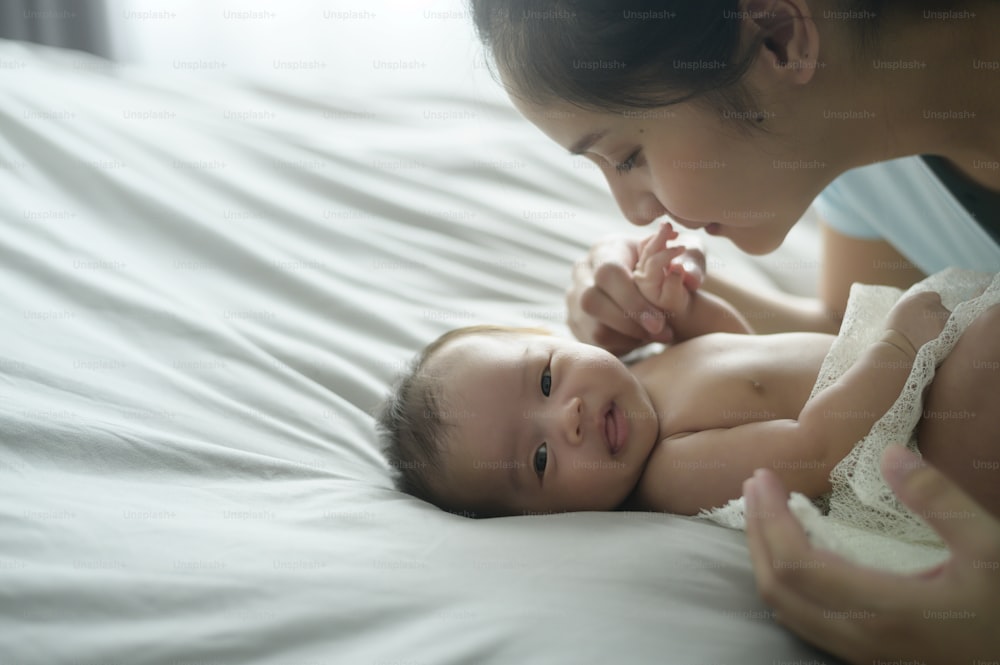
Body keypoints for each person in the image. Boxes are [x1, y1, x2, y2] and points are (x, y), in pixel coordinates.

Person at [467, 1, 1000, 659]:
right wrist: (676, 304)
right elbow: (838, 342)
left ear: (777, 37)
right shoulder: (854, 150)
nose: (634, 212)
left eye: (629, 154)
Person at [377, 223, 1000, 520]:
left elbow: (747, 353)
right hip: (918, 426)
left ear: (551, 340)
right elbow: (812, 446)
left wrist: (686, 306)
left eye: (545, 379)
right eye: (538, 460)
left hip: (908, 375)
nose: (565, 416)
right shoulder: (672, 474)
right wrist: (894, 348)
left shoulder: (643, 375)